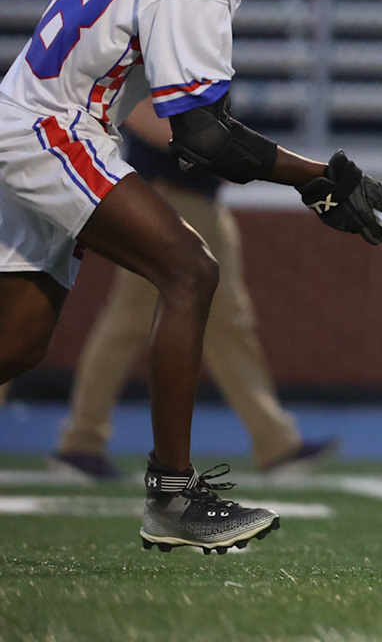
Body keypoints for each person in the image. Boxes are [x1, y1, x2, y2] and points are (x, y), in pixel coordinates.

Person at [0, 0, 382, 553]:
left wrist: (314, 179)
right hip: (52, 125)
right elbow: (201, 136)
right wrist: (319, 178)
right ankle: (173, 499)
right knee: (189, 270)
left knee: (17, 343)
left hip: (42, 111)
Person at [49, 96, 338, 481]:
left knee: (224, 324)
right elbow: (138, 113)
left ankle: (275, 442)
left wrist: (228, 153)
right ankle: (80, 441)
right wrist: (222, 152)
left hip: (196, 200)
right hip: (166, 197)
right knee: (132, 319)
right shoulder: (159, 43)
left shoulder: (191, 48)